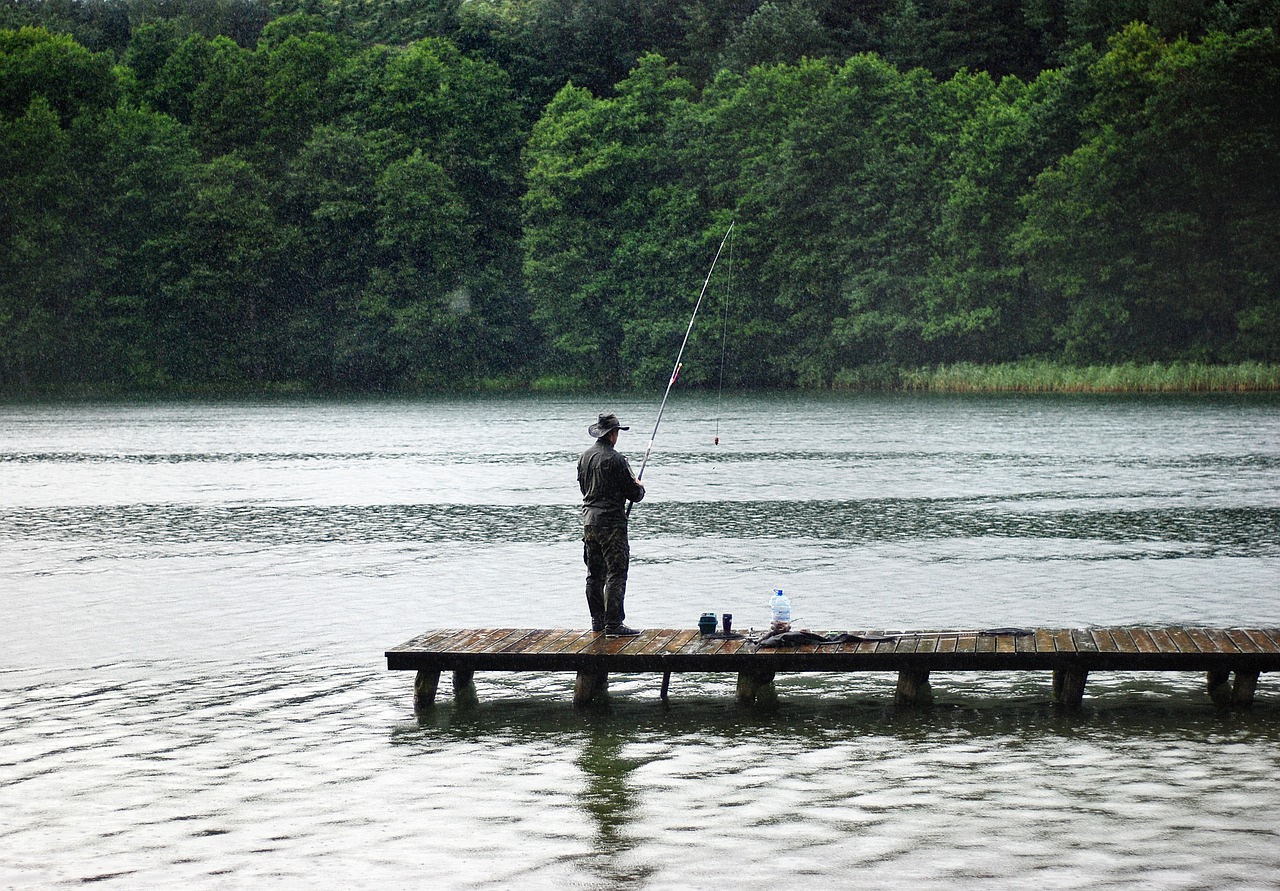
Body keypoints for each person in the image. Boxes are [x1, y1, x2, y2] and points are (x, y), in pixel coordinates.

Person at [578, 412, 645, 636]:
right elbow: (634, 494)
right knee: (616, 572)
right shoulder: (616, 460)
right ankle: (614, 624)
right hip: (611, 525)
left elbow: (584, 490)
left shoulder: (584, 457)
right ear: (613, 434)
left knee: (594, 573)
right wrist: (639, 485)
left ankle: (597, 621)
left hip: (589, 523)